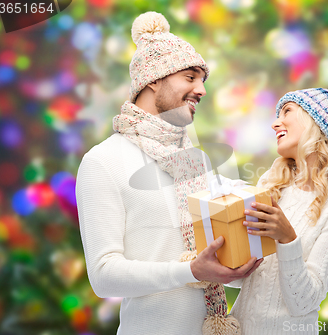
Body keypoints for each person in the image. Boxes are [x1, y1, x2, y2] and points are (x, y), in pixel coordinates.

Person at [75, 12, 261, 335]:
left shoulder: (194, 160)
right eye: (190, 77)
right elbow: (103, 276)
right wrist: (189, 270)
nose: (201, 90)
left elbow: (209, 263)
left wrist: (234, 269)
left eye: (203, 80)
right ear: (154, 79)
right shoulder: (103, 161)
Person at [228, 88, 328, 334]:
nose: (275, 123)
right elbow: (247, 280)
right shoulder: (272, 184)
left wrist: (287, 238)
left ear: (315, 123)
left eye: (287, 111)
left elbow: (304, 301)